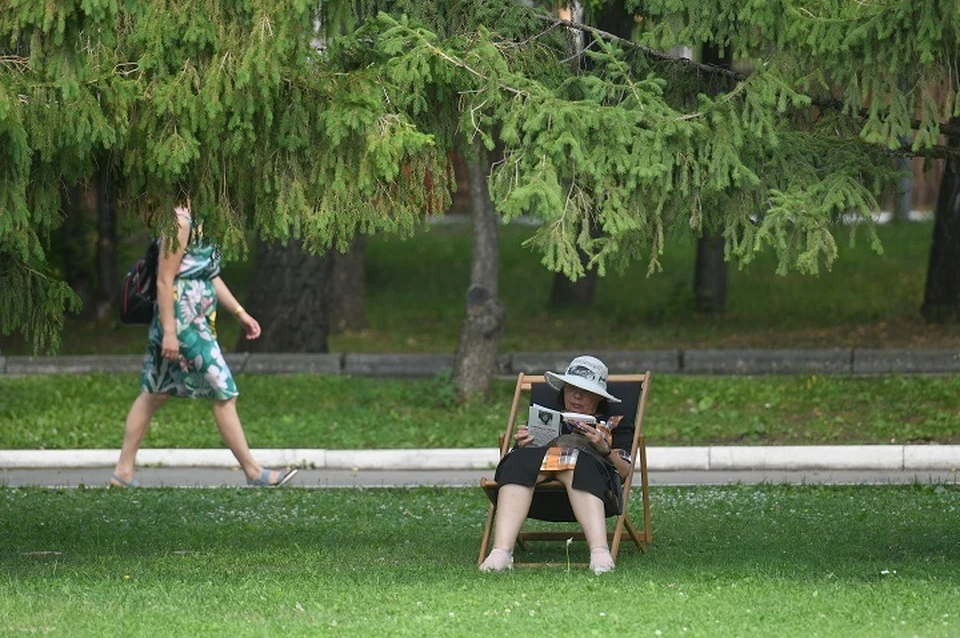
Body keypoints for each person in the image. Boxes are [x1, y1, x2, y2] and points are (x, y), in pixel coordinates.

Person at [109, 203, 298, 488]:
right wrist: (170, 333)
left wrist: (240, 313)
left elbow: (207, 273)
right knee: (224, 390)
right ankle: (254, 471)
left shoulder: (201, 219)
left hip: (193, 319)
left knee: (155, 392)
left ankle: (123, 473)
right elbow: (164, 280)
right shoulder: (180, 220)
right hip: (183, 322)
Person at [479, 355, 634, 574]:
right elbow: (521, 456)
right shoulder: (546, 416)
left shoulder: (616, 422)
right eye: (572, 389)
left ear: (599, 397)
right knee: (517, 462)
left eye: (586, 391)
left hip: (589, 479)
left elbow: (625, 470)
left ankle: (599, 553)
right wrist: (521, 444)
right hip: (539, 486)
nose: (577, 396)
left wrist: (603, 448)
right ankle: (500, 553)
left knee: (576, 461)